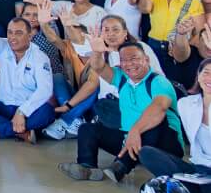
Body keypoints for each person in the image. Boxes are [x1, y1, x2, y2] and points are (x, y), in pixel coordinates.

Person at [60, 38, 184, 183]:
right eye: (124, 60)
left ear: (146, 59)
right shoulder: (123, 78)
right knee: (87, 129)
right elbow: (99, 68)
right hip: (130, 139)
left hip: (166, 145)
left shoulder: (159, 81)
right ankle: (87, 167)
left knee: (156, 123)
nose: (129, 64)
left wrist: (135, 130)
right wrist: (97, 52)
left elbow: (159, 108)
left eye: (134, 59)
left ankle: (121, 166)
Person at [0, 12, 55, 142]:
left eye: (18, 33)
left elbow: (45, 91)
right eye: (10, 32)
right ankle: (21, 132)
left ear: (30, 36)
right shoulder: (3, 46)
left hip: (28, 110)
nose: (12, 37)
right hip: (4, 108)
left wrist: (22, 112)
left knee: (47, 112)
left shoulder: (39, 57)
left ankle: (0, 130)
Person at [140, 57, 211, 193]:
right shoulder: (186, 104)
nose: (209, 78)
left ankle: (195, 191)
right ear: (198, 75)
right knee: (147, 153)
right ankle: (192, 189)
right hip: (198, 169)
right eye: (206, 72)